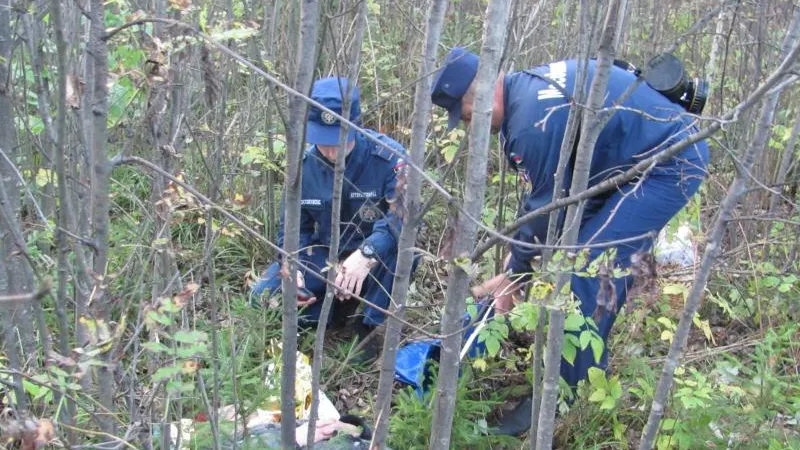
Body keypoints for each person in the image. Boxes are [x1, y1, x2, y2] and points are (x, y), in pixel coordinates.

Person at [431, 48, 709, 433]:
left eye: (464, 116)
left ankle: (564, 396)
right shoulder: (525, 90)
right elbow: (552, 214)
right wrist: (519, 273)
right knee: (567, 259)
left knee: (588, 270)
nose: (467, 127)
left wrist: (514, 274)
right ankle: (571, 366)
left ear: (479, 95)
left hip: (668, 162)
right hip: (623, 161)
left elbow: (545, 212)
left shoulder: (531, 123)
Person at [251, 76, 414, 363]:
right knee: (262, 297)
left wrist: (367, 254)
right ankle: (326, 313)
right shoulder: (303, 167)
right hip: (326, 257)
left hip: (374, 264)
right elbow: (291, 229)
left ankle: (367, 325)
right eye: (321, 141)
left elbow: (402, 219)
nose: (329, 151)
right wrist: (292, 265)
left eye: (338, 140)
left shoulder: (389, 159)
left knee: (407, 253)